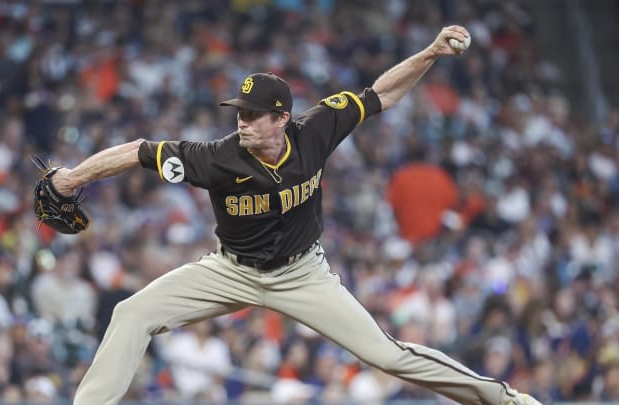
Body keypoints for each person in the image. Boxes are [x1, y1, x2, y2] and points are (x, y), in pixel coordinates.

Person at [48, 26, 541, 405]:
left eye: (251, 114)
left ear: (281, 117)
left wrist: (431, 52)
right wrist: (72, 179)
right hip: (231, 270)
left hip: (302, 273)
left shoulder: (317, 129)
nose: (240, 121)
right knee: (131, 313)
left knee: (386, 354)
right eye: (238, 111)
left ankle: (505, 399)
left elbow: (382, 94)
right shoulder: (216, 157)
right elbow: (139, 152)